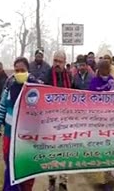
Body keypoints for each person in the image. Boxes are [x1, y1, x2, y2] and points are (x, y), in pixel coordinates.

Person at [0, 57, 36, 191]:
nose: (19, 73)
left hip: (28, 138)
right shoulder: (9, 86)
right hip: (10, 135)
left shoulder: (36, 87)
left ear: (28, 70)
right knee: (11, 169)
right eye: (17, 70)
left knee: (27, 170)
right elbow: (1, 110)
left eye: (22, 70)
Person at [43, 50, 70, 191]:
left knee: (65, 151)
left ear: (65, 62)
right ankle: (52, 180)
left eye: (60, 61)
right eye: (55, 61)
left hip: (65, 120)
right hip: (50, 120)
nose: (57, 64)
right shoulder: (47, 75)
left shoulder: (68, 76)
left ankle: (63, 181)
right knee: (52, 152)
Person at [88, 60, 114, 191]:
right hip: (97, 121)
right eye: (102, 68)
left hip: (110, 121)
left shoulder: (112, 81)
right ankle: (99, 179)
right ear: (99, 69)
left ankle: (109, 179)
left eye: (107, 68)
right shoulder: (94, 82)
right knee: (99, 150)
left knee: (109, 150)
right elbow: (89, 98)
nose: (105, 70)